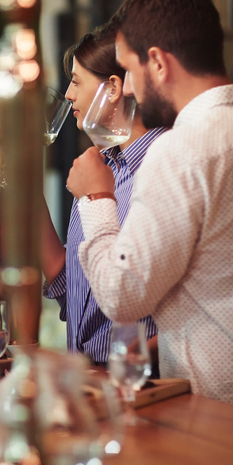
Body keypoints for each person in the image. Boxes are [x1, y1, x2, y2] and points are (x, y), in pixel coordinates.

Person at [66, 0, 233, 424]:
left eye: (130, 70)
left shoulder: (180, 149)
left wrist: (97, 197)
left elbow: (121, 297)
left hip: (226, 419)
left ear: (157, 61)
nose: (129, 89)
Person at [41, 26, 166, 366]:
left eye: (77, 81)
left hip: (140, 386)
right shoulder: (100, 167)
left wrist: (123, 364)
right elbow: (76, 293)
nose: (68, 94)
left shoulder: (162, 169)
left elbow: (180, 313)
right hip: (90, 383)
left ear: (113, 88)